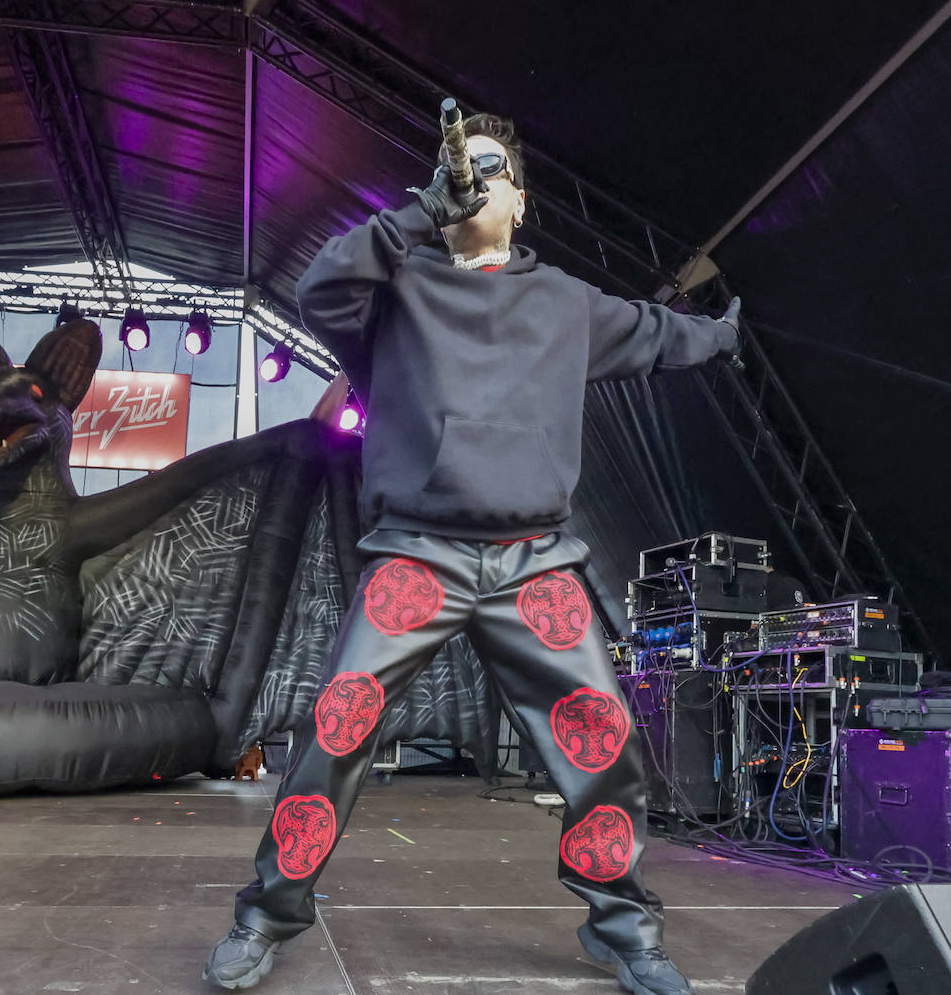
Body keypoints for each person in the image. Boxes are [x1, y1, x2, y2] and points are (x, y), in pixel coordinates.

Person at [203, 112, 739, 995]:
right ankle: (266, 914)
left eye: (488, 171)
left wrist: (723, 333)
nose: (470, 182)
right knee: (338, 723)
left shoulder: (566, 304)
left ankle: (622, 927)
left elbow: (658, 334)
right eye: (458, 170)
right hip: (419, 552)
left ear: (520, 201)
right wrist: (414, 213)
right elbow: (318, 292)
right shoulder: (392, 287)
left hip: (532, 558)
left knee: (604, 738)